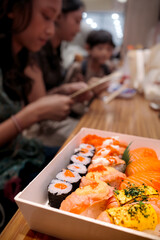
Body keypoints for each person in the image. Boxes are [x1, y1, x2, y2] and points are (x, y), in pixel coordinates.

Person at [0, 0, 76, 231]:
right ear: (12, 8)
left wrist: (59, 93)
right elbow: (31, 111)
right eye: (46, 16)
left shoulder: (20, 56)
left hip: (21, 151)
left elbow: (35, 102)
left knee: (75, 155)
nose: (51, 29)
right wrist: (33, 113)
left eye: (55, 20)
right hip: (8, 164)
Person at [23, 0, 93, 146]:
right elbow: (39, 106)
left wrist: (68, 90)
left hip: (50, 120)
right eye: (76, 21)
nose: (79, 29)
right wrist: (65, 91)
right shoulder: (34, 50)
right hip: (41, 127)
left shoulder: (57, 49)